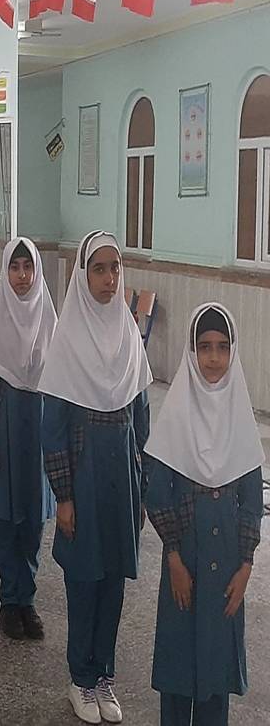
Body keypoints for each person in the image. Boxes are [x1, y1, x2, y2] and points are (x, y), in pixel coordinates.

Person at [37, 230, 152, 725]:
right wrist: (63, 496)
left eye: (114, 268)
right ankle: (80, 677)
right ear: (83, 275)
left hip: (121, 483)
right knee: (84, 581)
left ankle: (104, 674)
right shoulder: (68, 341)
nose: (108, 278)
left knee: (114, 583)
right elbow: (53, 431)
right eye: (99, 269)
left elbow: (142, 421)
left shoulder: (128, 336)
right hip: (83, 484)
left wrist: (141, 488)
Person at [144, 303, 264, 726]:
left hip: (228, 564)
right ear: (191, 352)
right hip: (185, 562)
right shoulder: (177, 413)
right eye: (205, 347)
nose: (213, 357)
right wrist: (174, 558)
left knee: (216, 671)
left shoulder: (240, 417)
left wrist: (246, 566)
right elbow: (157, 495)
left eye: (223, 347)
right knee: (179, 668)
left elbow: (252, 502)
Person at [0, 237, 59, 641]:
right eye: (15, 267)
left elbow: (61, 387)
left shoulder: (49, 321)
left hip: (40, 431)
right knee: (8, 518)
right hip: (7, 430)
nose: (22, 276)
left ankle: (28, 599)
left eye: (28, 267)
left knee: (35, 517)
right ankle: (9, 601)